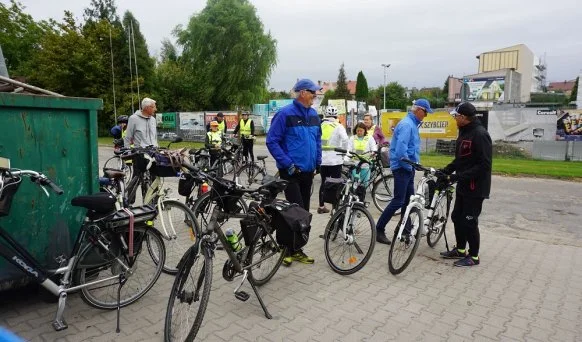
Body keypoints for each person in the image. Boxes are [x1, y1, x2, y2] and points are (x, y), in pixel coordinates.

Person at [267, 78, 322, 266]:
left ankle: (296, 249)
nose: (315, 95)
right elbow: (272, 141)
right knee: (293, 211)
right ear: (302, 93)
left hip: (308, 171)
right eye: (312, 92)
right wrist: (287, 163)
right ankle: (285, 248)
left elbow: (317, 141)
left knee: (303, 212)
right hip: (290, 172)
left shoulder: (314, 114)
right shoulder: (284, 114)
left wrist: (318, 162)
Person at [439, 102, 492, 267]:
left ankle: (474, 256)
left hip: (475, 188)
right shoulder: (464, 132)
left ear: (463, 117)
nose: (454, 118)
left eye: (456, 116)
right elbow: (461, 159)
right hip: (463, 185)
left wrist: (458, 176)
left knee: (469, 221)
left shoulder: (480, 134)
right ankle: (460, 249)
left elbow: (484, 165)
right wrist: (447, 170)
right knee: (457, 217)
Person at [375, 99, 433, 245]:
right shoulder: (407, 125)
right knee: (399, 201)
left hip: (407, 168)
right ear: (418, 110)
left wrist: (414, 166)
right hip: (403, 168)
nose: (425, 116)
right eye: (425, 112)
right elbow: (401, 151)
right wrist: (409, 167)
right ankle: (379, 229)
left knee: (408, 201)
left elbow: (410, 148)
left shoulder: (411, 123)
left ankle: (404, 230)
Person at [318, 105, 349, 214]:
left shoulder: (320, 125)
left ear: (326, 115)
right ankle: (334, 208)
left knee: (323, 183)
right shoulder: (338, 126)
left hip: (323, 160)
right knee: (336, 184)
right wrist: (344, 153)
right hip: (335, 160)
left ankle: (321, 206)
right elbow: (345, 140)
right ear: (336, 116)